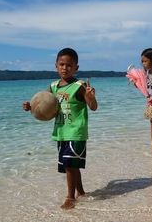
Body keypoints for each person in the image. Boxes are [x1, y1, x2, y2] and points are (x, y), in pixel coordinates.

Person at [23, 48, 98, 209]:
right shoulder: (53, 87)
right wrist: (30, 107)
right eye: (62, 64)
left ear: (76, 68)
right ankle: (81, 193)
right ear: (56, 65)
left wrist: (91, 97)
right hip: (61, 132)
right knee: (70, 165)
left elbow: (93, 107)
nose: (65, 68)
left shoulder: (79, 86)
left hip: (76, 132)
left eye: (69, 65)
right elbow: (44, 106)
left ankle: (70, 197)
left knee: (70, 165)